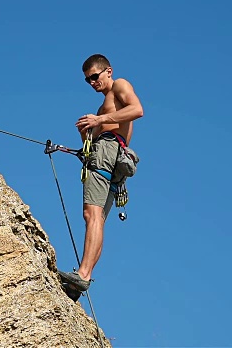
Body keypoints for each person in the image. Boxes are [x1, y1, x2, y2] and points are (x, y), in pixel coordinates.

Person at [58, 54, 144, 293]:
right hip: (109, 157)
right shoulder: (103, 104)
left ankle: (83, 274)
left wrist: (100, 119)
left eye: (94, 76)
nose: (92, 82)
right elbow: (95, 139)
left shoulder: (120, 86)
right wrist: (86, 133)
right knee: (95, 218)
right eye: (88, 80)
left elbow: (137, 110)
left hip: (109, 151)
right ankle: (81, 280)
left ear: (108, 71)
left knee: (91, 214)